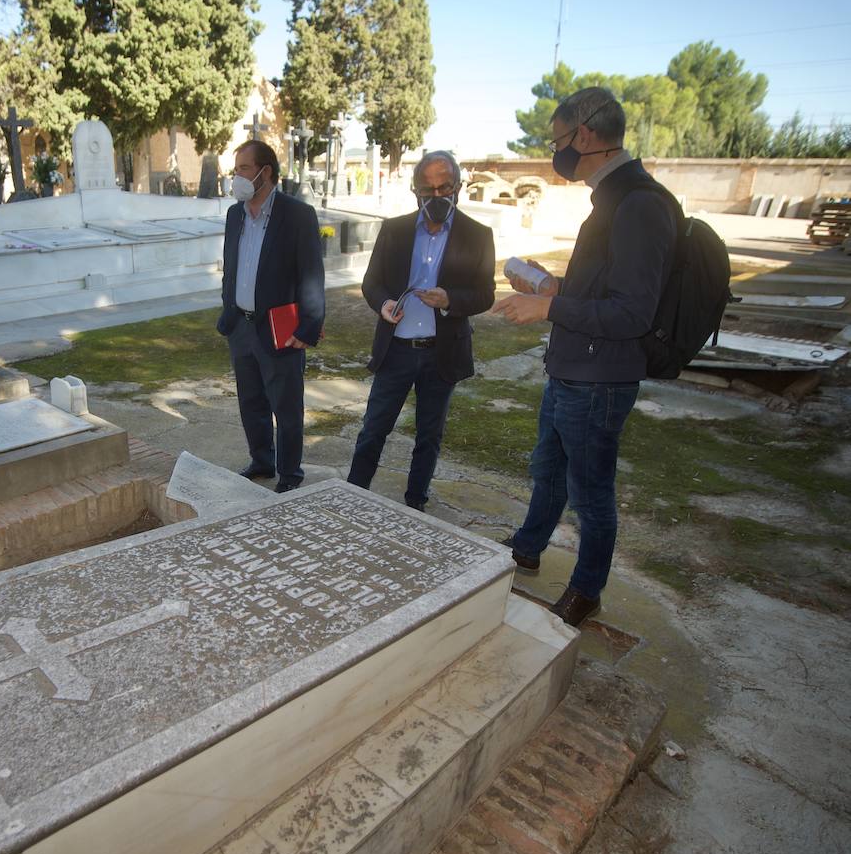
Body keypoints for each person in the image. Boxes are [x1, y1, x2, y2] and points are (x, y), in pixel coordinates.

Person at [491, 86, 677, 627]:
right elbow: (605, 288)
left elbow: (632, 313)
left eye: (558, 141)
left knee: (591, 491)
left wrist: (548, 311)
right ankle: (527, 547)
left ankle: (586, 589)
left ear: (586, 135)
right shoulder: (613, 199)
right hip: (572, 369)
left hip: (600, 378)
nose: (557, 153)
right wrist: (555, 289)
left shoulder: (640, 203)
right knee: (548, 470)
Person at [346, 151, 495, 511]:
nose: (437, 196)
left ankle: (415, 504)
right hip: (395, 349)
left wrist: (449, 299)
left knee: (429, 436)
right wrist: (382, 304)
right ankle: (352, 493)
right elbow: (372, 283)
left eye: (445, 187)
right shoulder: (394, 230)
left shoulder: (478, 235)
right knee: (373, 429)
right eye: (428, 190)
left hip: (441, 353)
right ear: (415, 192)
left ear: (458, 187)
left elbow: (485, 294)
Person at [216, 139, 325, 493]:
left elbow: (311, 275)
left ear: (266, 173)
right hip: (241, 327)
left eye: (243, 169)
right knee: (251, 402)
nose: (237, 177)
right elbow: (230, 268)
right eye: (236, 170)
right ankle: (262, 461)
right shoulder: (235, 215)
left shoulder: (297, 215)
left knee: (286, 406)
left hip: (281, 329)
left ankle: (290, 474)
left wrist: (309, 327)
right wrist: (227, 311)